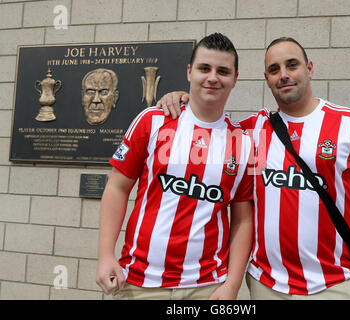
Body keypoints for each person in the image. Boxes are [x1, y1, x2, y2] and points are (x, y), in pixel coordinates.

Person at [157, 36, 350, 299]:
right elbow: (209, 120)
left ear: (309, 68)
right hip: (266, 285)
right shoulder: (251, 130)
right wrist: (183, 98)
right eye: (274, 69)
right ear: (266, 78)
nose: (283, 75)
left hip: (336, 284)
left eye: (292, 65)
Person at [96, 33, 254, 300]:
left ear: (235, 79)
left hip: (207, 285)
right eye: (205, 68)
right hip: (139, 281)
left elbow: (243, 219)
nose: (213, 77)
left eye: (223, 71)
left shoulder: (247, 143)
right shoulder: (153, 120)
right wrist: (104, 255)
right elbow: (117, 187)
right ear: (190, 71)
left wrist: (232, 284)